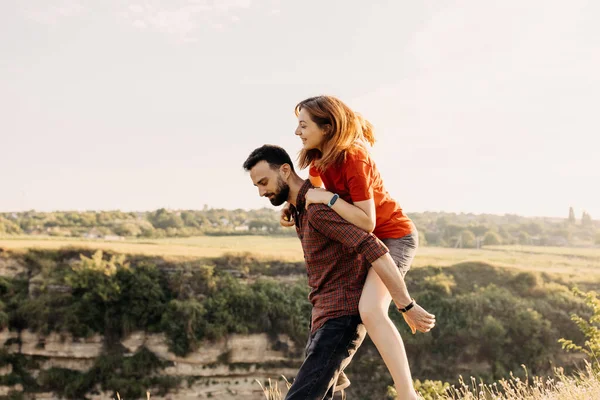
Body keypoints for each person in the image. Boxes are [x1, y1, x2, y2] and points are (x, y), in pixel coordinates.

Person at [243, 145, 435, 400]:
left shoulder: (318, 210)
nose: (261, 192)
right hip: (323, 320)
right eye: (257, 185)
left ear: (286, 170)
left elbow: (373, 246)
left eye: (264, 182)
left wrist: (406, 305)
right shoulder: (304, 208)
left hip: (340, 321)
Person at [279, 95, 429, 399]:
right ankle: (336, 388)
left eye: (303, 124)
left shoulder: (353, 157)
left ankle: (407, 394)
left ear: (327, 126)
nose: (297, 132)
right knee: (340, 308)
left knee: (370, 310)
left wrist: (329, 199)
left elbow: (367, 221)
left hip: (394, 237)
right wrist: (292, 207)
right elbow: (313, 192)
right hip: (364, 244)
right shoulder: (320, 158)